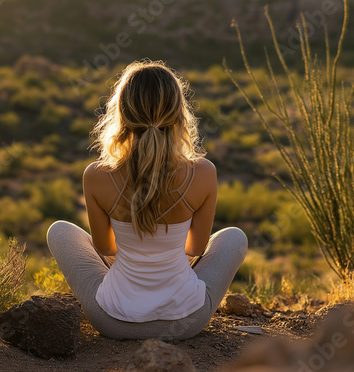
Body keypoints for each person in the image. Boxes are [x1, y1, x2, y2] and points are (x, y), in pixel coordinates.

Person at [47, 60, 248, 340]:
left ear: (122, 114)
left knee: (59, 230)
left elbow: (105, 248)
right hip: (187, 321)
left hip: (114, 322)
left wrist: (137, 251)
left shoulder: (97, 175)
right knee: (234, 237)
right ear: (179, 114)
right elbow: (196, 248)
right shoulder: (203, 173)